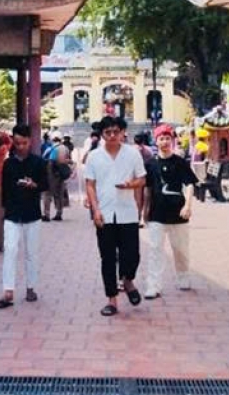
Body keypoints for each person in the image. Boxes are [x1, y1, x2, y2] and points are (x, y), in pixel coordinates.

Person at [84, 116, 147, 316]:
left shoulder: (133, 154)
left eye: (115, 132)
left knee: (132, 255)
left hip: (128, 212)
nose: (112, 136)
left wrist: (130, 185)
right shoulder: (94, 156)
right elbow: (90, 185)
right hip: (104, 213)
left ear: (122, 132)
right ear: (102, 134)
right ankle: (112, 299)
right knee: (108, 257)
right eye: (107, 132)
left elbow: (142, 179)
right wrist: (95, 210)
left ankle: (127, 280)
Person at [141, 124, 198, 299]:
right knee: (155, 250)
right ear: (156, 141)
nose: (165, 142)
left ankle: (183, 277)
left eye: (167, 138)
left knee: (180, 249)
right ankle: (153, 285)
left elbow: (189, 184)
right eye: (161, 139)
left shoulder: (180, 162)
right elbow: (147, 189)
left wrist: (188, 205)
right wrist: (145, 210)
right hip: (157, 213)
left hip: (178, 213)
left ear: (172, 141)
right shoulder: (150, 164)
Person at [0, 124, 49, 309]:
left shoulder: (38, 162)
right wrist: (2, 213)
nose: (21, 147)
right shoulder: (8, 164)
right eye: (17, 143)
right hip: (12, 213)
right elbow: (4, 190)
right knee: (10, 250)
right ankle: (8, 290)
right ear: (13, 141)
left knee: (31, 253)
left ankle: (31, 287)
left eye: (24, 143)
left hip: (32, 213)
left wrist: (34, 185)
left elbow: (45, 185)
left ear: (30, 141)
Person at [42, 142, 72, 221]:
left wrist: (49, 176)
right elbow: (69, 161)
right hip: (61, 174)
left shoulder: (53, 149)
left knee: (47, 194)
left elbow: (50, 162)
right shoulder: (66, 149)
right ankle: (59, 213)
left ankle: (46, 215)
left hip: (53, 174)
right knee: (59, 194)